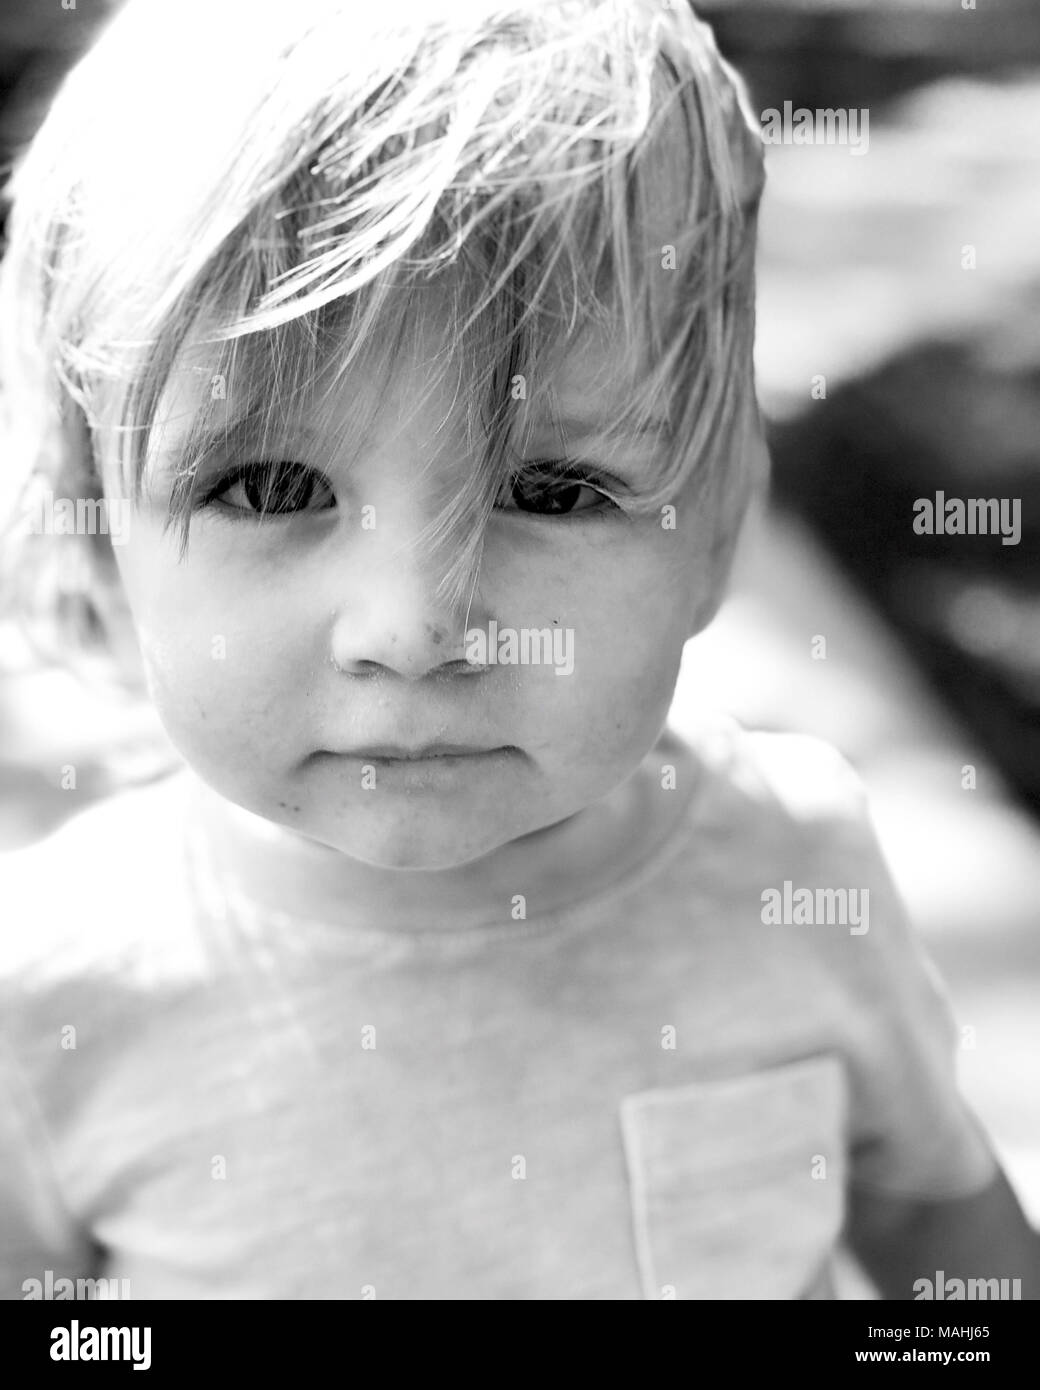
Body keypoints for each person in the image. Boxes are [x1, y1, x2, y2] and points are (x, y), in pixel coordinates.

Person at [0, 0, 1035, 1300]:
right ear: (97, 560)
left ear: (716, 534)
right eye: (267, 488)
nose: (416, 628)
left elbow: (940, 1219)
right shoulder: (55, 995)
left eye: (553, 491)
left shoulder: (792, 868)